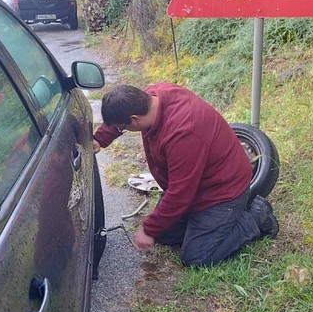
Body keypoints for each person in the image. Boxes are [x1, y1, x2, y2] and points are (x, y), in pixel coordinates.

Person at [93, 84, 278, 266]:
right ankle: (208, 224)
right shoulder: (150, 98)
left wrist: (149, 230)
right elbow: (120, 116)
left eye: (123, 128)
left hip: (222, 190)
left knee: (196, 257)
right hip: (196, 184)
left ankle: (256, 216)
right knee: (165, 235)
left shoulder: (183, 133)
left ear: (135, 119)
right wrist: (99, 139)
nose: (122, 130)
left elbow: (180, 193)